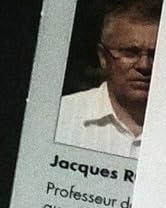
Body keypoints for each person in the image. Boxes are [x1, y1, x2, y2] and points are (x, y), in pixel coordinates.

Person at [54, 1, 160, 158]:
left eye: (155, 54)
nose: (144, 65)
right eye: (130, 53)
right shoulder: (61, 117)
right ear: (103, 57)